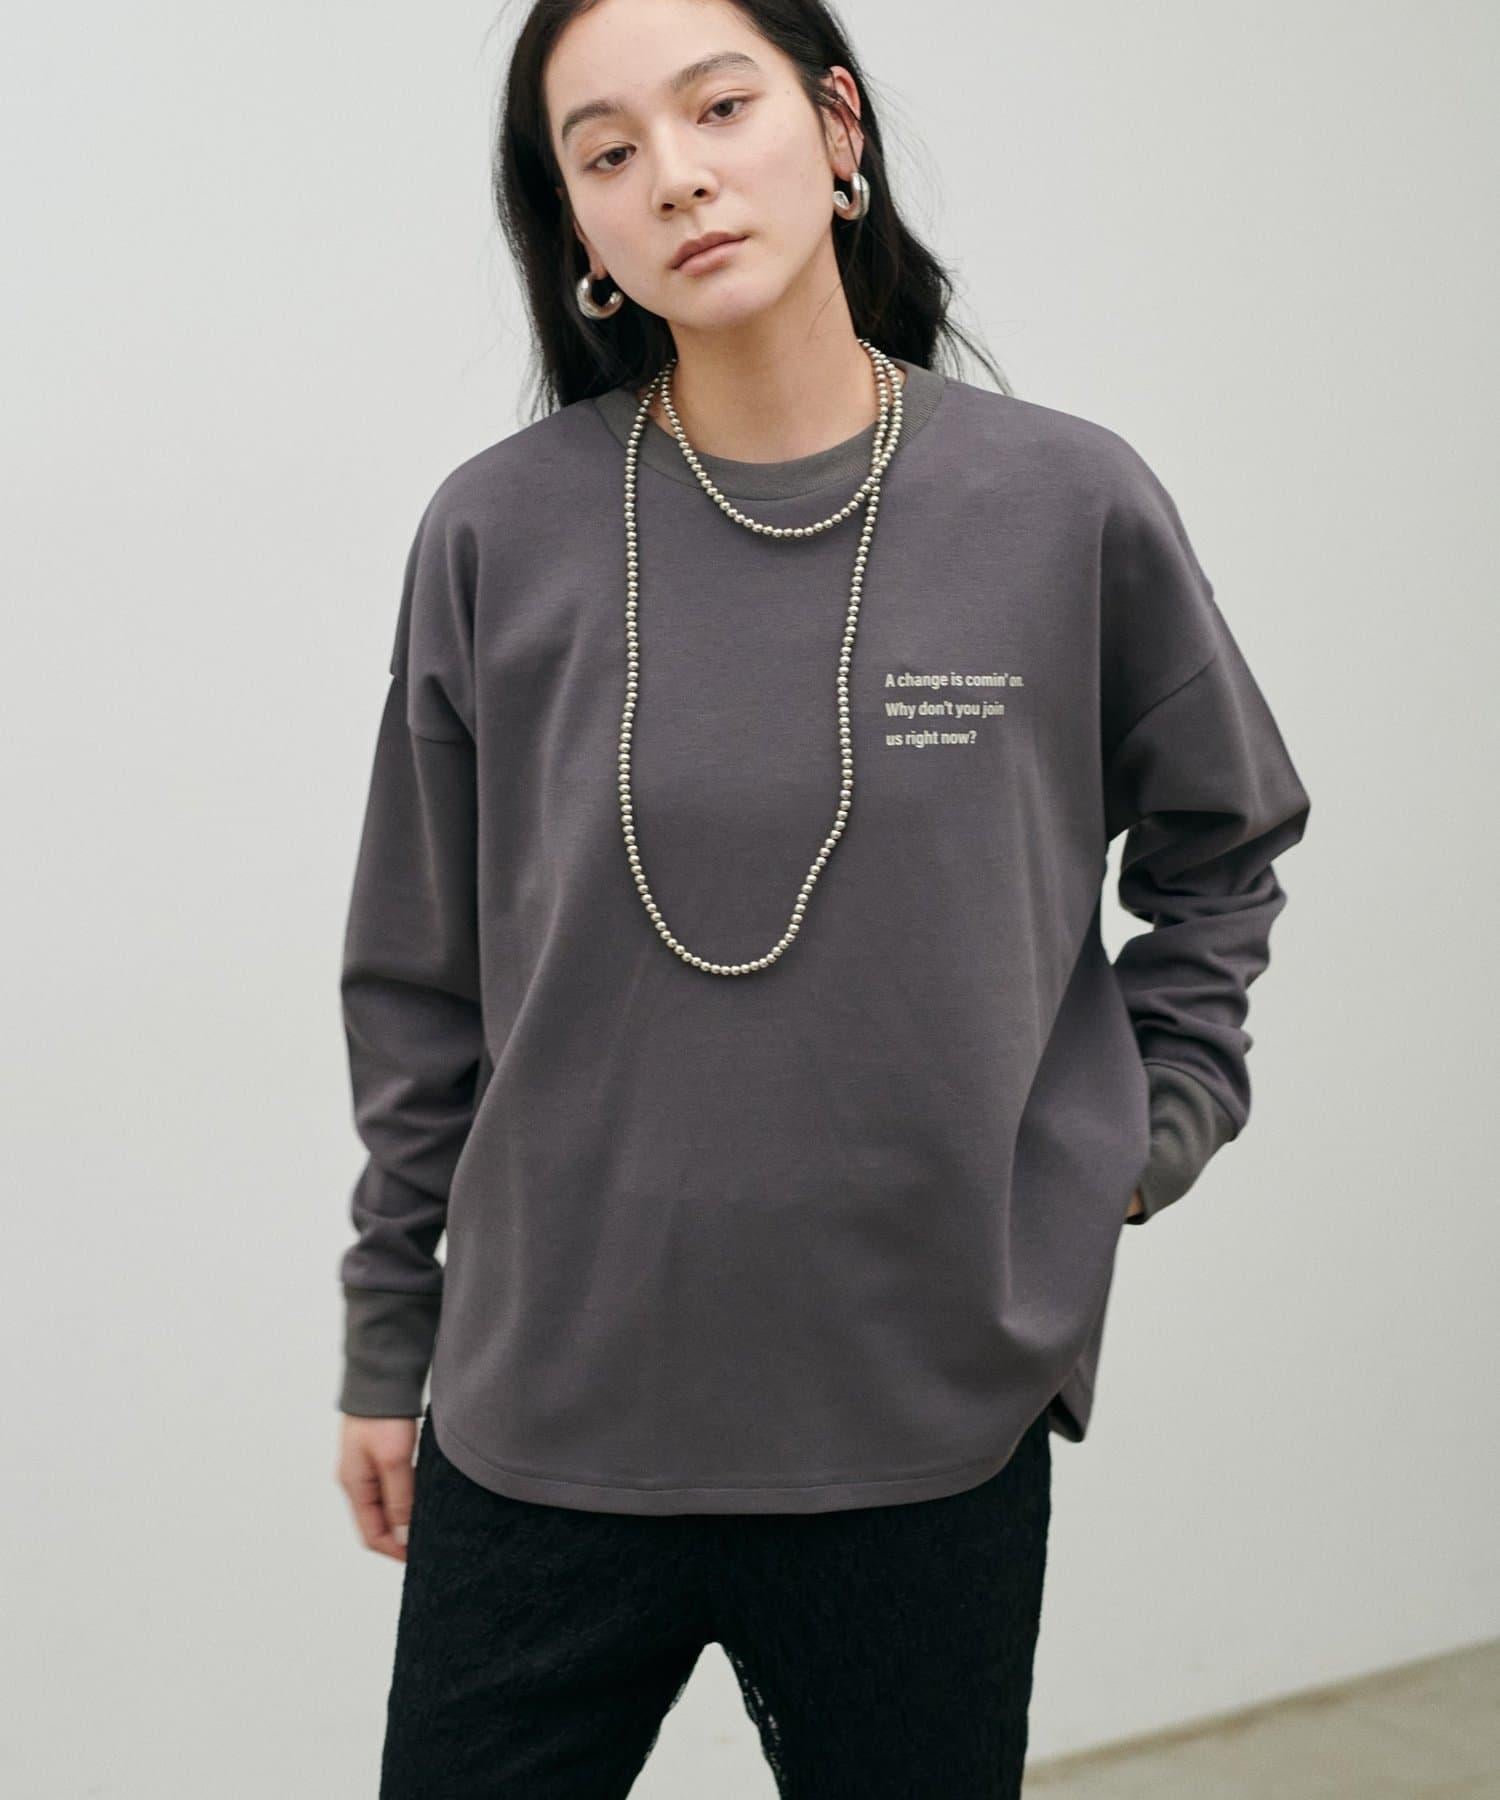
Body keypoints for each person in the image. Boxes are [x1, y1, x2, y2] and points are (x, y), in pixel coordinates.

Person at [331, 1, 1312, 1793]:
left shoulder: (1065, 504)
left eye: (720, 108)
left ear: (837, 128)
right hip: (547, 1419)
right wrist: (390, 1335)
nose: (676, 175)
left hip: (919, 1422)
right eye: (608, 150)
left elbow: (1222, 845)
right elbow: (417, 981)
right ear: (580, 225)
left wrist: (1144, 1129)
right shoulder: (496, 533)